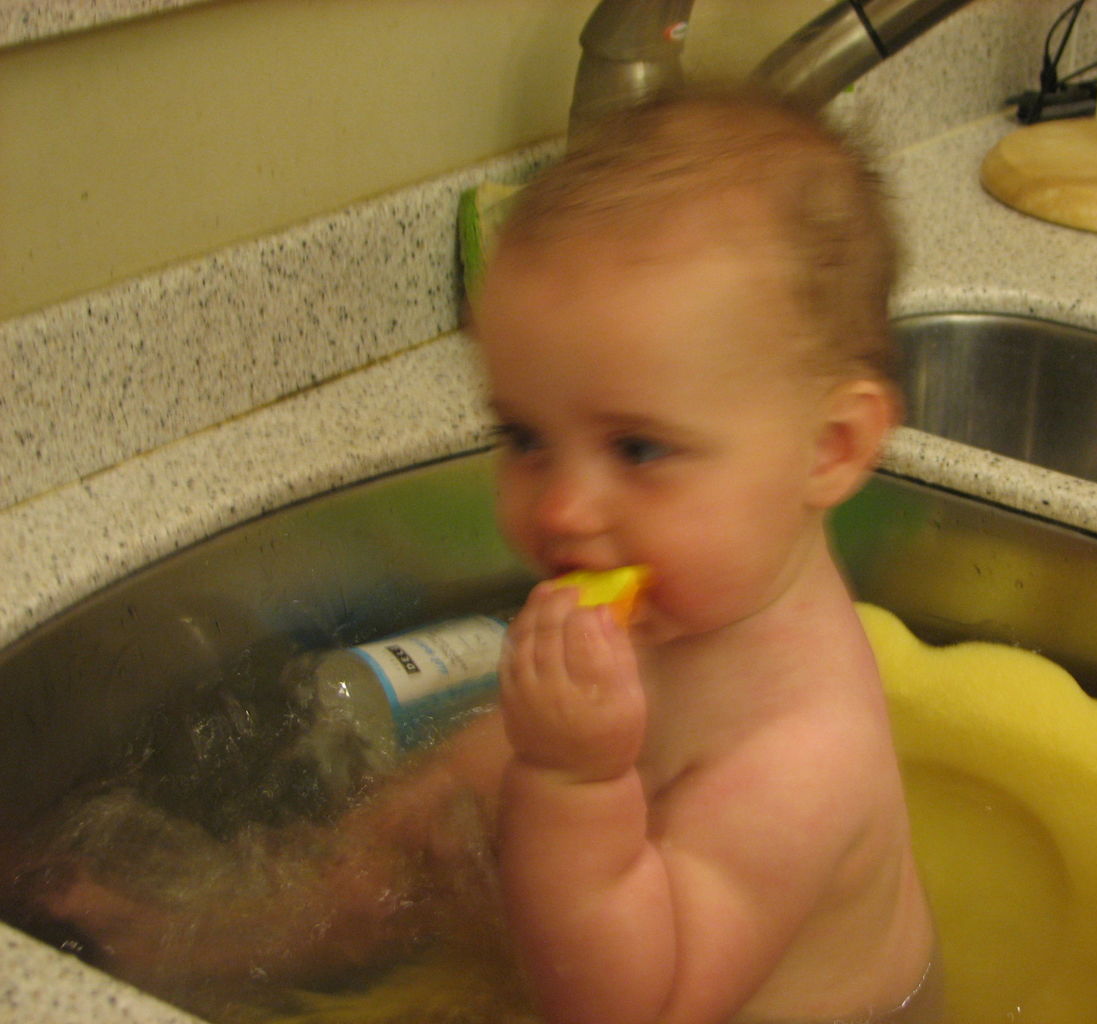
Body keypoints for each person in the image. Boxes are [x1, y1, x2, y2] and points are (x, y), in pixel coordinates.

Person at [35, 89, 937, 1024]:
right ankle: (258, 929)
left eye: (637, 449)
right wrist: (429, 801)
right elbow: (555, 738)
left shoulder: (798, 759)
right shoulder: (695, 589)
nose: (560, 507)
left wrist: (569, 780)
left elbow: (636, 1008)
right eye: (524, 436)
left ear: (830, 448)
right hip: (598, 903)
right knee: (424, 818)